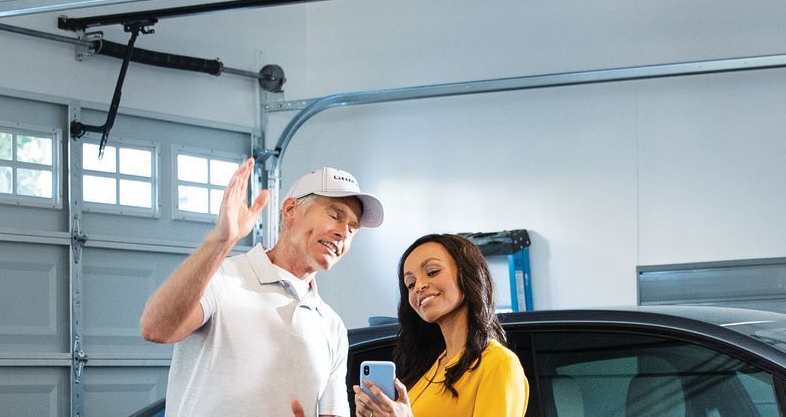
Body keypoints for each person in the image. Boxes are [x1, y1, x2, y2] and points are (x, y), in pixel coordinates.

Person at [141, 160, 385, 417]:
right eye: (335, 215)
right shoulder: (222, 277)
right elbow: (156, 329)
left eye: (352, 228)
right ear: (291, 210)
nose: (343, 233)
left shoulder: (332, 326)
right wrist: (220, 241)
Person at [353, 234, 528, 417]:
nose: (419, 286)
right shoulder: (432, 366)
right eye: (410, 284)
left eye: (432, 272)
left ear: (467, 274)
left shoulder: (499, 363)